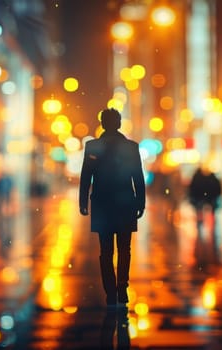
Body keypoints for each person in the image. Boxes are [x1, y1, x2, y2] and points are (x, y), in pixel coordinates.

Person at [79, 108, 146, 308]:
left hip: (102, 203)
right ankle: (122, 287)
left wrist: (83, 202)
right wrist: (140, 202)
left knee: (105, 250)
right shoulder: (131, 147)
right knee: (124, 249)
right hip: (125, 203)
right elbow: (138, 177)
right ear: (118, 124)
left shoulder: (93, 146)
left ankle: (110, 291)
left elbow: (86, 177)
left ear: (102, 123)